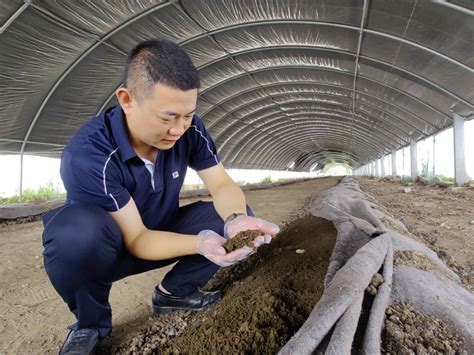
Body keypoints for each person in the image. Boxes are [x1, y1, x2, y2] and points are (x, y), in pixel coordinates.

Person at [41, 38, 280, 355]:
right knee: (73, 233)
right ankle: (90, 323)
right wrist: (198, 243)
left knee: (231, 214)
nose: (178, 128)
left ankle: (174, 293)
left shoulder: (189, 130)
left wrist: (236, 220)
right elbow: (137, 239)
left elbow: (221, 184)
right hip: (110, 247)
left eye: (187, 115)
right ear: (127, 100)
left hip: (161, 230)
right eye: (167, 118)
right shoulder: (90, 154)